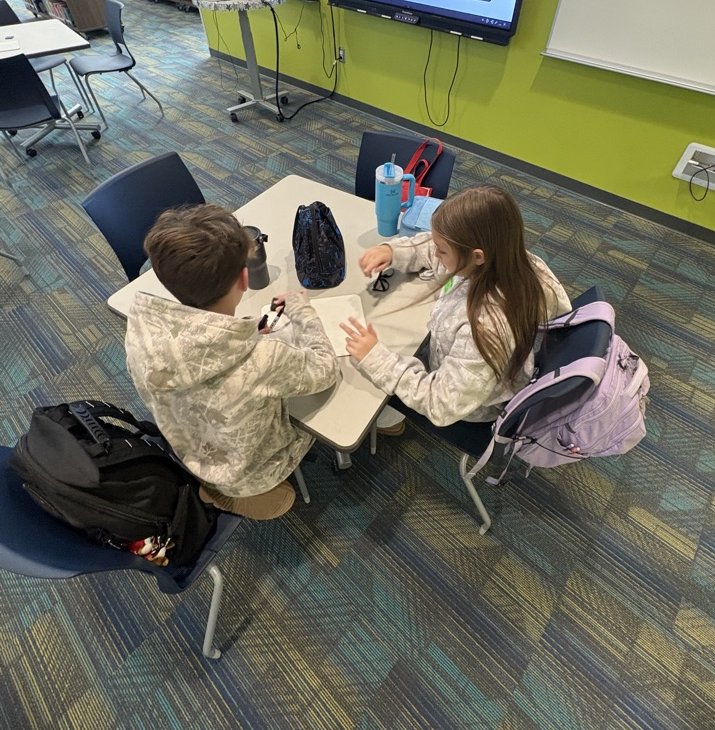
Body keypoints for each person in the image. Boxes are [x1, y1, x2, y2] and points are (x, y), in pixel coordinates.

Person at [125, 203, 339, 520]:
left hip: (191, 449)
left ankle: (211, 484)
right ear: (244, 278)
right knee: (327, 420)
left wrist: (249, 330)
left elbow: (199, 344)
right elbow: (325, 369)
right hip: (249, 471)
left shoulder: (140, 333)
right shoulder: (266, 358)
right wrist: (300, 310)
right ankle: (236, 496)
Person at [340, 185, 571, 427]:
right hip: (466, 367)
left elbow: (442, 404)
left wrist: (377, 359)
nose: (436, 254)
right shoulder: (506, 258)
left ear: (477, 256)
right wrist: (392, 250)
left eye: (443, 251)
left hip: (470, 404)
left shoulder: (485, 327)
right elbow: (436, 245)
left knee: (366, 388)